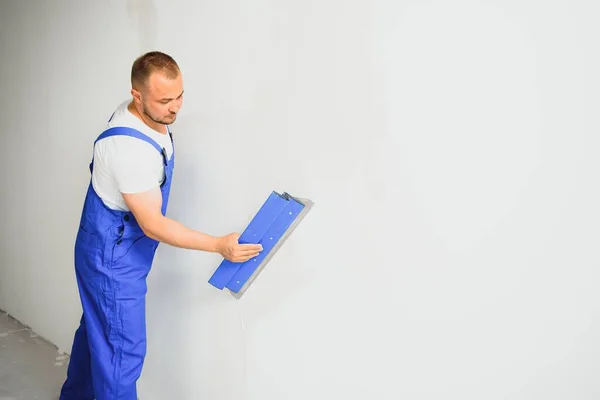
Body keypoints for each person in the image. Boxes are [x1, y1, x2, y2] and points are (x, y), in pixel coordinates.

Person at [59, 51, 262, 400]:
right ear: (137, 96)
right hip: (112, 260)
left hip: (108, 246)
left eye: (180, 95)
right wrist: (218, 245)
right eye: (165, 100)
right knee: (122, 352)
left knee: (99, 334)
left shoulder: (147, 115)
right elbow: (152, 225)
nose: (175, 108)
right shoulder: (127, 148)